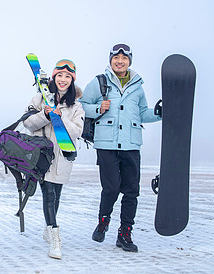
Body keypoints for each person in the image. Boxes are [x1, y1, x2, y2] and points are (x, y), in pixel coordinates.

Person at [79, 43, 162, 252]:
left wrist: (160, 113)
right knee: (111, 188)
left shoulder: (137, 86)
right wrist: (98, 107)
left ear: (129, 61)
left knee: (131, 191)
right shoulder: (99, 82)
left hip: (131, 145)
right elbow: (80, 105)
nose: (120, 61)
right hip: (106, 145)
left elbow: (142, 113)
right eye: (116, 58)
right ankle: (103, 221)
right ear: (111, 60)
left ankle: (125, 234)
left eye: (124, 58)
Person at [23, 59, 84, 259]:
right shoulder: (39, 99)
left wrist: (61, 117)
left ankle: (48, 227)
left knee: (55, 196)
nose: (63, 80)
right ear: (54, 77)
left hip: (63, 157)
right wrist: (45, 115)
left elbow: (76, 131)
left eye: (68, 76)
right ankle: (55, 238)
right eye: (59, 75)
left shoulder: (76, 107)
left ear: (72, 80)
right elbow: (28, 124)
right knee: (48, 194)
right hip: (41, 155)